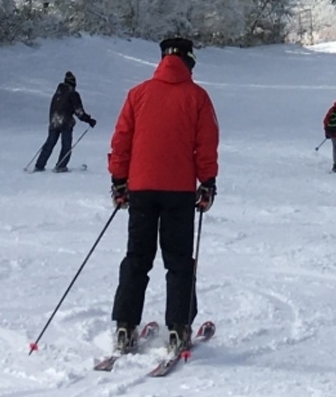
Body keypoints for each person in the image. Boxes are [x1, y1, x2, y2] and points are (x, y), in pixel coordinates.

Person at [107, 38, 219, 357]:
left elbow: (122, 139)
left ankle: (125, 327)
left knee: (137, 259)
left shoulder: (138, 94)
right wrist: (207, 183)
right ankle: (179, 328)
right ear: (189, 61)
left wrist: (119, 180)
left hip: (141, 189)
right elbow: (206, 145)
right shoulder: (197, 97)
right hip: (179, 192)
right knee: (179, 262)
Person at [34, 71, 97, 173]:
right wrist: (89, 120)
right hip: (65, 122)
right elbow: (79, 112)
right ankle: (61, 166)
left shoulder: (58, 93)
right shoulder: (73, 94)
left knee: (49, 144)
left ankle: (39, 165)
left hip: (54, 121)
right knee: (66, 145)